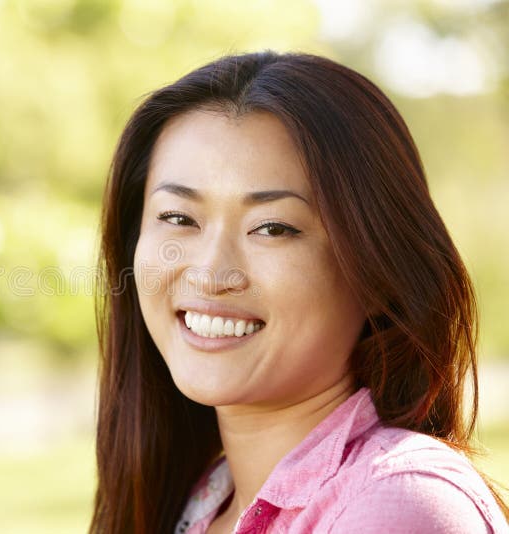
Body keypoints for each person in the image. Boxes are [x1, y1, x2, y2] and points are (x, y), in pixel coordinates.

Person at [88, 51, 509, 533]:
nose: (209, 274)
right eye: (179, 218)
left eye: (273, 228)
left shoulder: (395, 504)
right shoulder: (199, 503)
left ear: (377, 272)